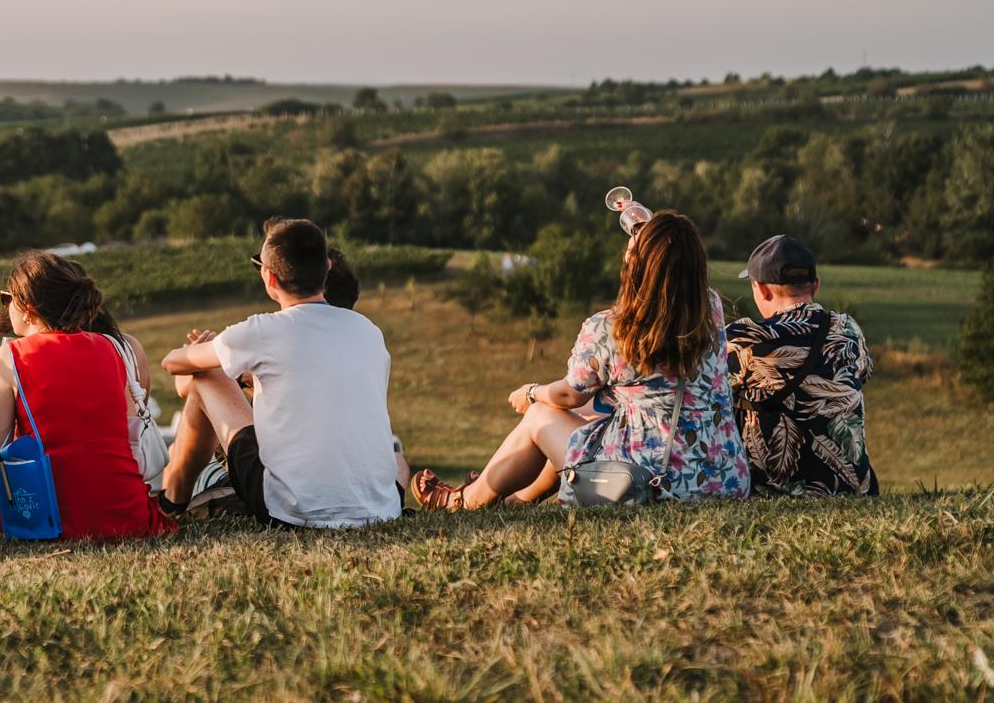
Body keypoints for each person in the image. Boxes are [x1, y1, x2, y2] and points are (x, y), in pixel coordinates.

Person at [411, 210, 750, 510]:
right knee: (584, 422)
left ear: (635, 267)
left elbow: (568, 395)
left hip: (651, 487)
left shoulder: (611, 329)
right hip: (724, 480)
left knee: (542, 416)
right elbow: (671, 271)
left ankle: (463, 501)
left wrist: (531, 392)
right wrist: (656, 240)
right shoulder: (710, 310)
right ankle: (516, 497)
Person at [156, 218, 403, 529]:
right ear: (326, 269)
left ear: (269, 278)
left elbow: (171, 362)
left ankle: (170, 504)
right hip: (379, 509)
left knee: (208, 377)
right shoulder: (369, 331)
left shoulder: (261, 331)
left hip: (293, 512)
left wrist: (212, 353)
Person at [0, 251, 173, 539]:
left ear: (26, 308)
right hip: (124, 513)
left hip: (45, 516)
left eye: (7, 299)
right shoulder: (111, 348)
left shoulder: (11, 355)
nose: (5, 307)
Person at [725, 234, 876, 497]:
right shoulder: (848, 329)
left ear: (761, 289)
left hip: (777, 490)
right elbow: (862, 373)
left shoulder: (743, 339)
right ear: (815, 285)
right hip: (852, 488)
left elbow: (710, 388)